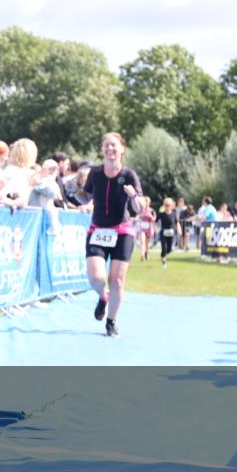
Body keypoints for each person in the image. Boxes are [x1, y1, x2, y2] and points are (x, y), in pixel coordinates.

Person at [74, 132, 143, 338]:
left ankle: (111, 322)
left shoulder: (129, 175)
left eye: (114, 145)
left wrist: (132, 195)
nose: (110, 149)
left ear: (122, 149)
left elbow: (138, 208)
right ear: (102, 149)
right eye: (106, 145)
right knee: (96, 277)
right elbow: (85, 198)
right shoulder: (95, 173)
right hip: (98, 230)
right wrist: (73, 192)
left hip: (122, 231)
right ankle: (103, 297)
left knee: (117, 281)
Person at [158, 198, 180, 268]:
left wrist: (179, 229)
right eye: (166, 205)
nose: (167, 206)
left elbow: (177, 222)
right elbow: (155, 221)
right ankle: (164, 262)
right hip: (163, 233)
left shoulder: (174, 214)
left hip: (171, 233)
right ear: (164, 205)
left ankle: (163, 255)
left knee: (169, 249)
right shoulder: (161, 214)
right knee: (164, 248)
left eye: (169, 205)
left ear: (171, 205)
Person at [136, 196, 157, 261]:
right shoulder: (140, 209)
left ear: (149, 203)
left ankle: (146, 253)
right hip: (142, 228)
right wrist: (136, 218)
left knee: (147, 243)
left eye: (147, 201)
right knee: (142, 241)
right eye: (145, 201)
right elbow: (137, 216)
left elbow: (154, 219)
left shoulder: (152, 210)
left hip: (149, 229)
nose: (146, 203)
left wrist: (151, 217)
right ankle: (142, 255)